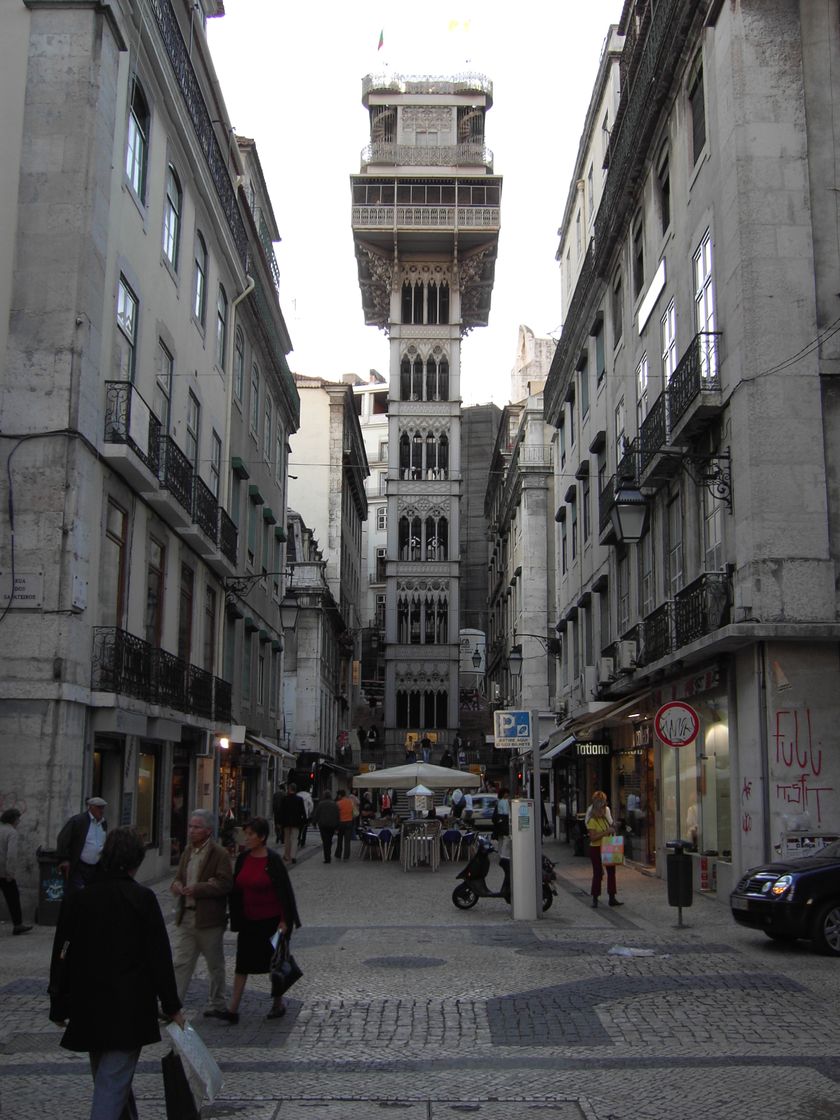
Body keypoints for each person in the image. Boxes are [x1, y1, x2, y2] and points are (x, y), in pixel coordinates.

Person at [48, 827, 185, 1119]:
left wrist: (58, 1003)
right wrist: (172, 1006)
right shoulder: (141, 899)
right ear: (136, 860)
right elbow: (159, 957)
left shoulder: (79, 899)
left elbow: (62, 954)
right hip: (128, 1008)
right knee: (112, 1084)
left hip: (88, 1006)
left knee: (108, 1079)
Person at [222, 817, 301, 1022]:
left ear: (262, 837)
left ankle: (278, 1003)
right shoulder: (243, 858)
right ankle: (233, 1009)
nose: (246, 838)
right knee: (242, 965)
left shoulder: (273, 860)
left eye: (250, 834)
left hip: (271, 922)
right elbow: (236, 887)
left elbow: (284, 892)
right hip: (249, 921)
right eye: (246, 833)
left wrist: (285, 921)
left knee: (274, 965)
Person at [170, 809, 233, 1019]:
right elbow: (178, 876)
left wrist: (198, 889)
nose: (191, 831)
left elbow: (225, 884)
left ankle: (218, 1003)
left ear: (208, 830)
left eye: (196, 827)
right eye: (190, 826)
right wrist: (177, 885)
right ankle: (173, 1005)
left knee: (215, 964)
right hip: (186, 916)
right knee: (181, 963)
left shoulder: (219, 854)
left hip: (208, 919)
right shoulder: (188, 851)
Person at [56, 796, 107, 893]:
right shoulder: (78, 821)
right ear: (91, 807)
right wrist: (64, 859)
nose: (102, 811)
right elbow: (63, 839)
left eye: (103, 808)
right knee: (78, 893)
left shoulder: (103, 823)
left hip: (95, 867)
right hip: (79, 866)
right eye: (99, 808)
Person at [586, 790, 622, 908]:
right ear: (596, 808)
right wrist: (606, 832)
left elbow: (610, 826)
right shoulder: (592, 820)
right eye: (601, 808)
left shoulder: (605, 818)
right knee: (597, 873)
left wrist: (613, 828)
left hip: (608, 846)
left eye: (604, 808)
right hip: (596, 848)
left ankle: (612, 896)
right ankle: (595, 897)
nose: (604, 810)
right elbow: (592, 837)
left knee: (611, 872)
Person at [0, 808, 32, 934]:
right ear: (13, 819)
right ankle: (18, 925)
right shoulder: (11, 832)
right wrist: (10, 873)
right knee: (13, 898)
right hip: (3, 872)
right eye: (18, 819)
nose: (19, 821)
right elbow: (11, 855)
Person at [276, 784, 307, 865]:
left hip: (286, 822)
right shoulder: (299, 799)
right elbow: (302, 812)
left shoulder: (284, 799)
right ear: (295, 790)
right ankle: (293, 856)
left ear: (289, 789)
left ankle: (287, 855)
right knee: (294, 839)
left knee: (287, 839)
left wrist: (279, 822)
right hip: (296, 823)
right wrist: (304, 822)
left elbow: (280, 811)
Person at [311, 792, 340, 862]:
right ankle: (328, 854)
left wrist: (314, 823)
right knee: (329, 840)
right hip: (332, 825)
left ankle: (327, 857)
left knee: (325, 841)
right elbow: (338, 815)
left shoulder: (321, 804)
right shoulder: (334, 804)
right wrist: (337, 826)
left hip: (323, 825)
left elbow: (316, 814)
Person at [335, 790, 355, 860]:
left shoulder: (338, 803)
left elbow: (336, 815)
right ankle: (346, 855)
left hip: (341, 823)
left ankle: (338, 854)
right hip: (349, 822)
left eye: (338, 795)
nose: (337, 796)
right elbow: (354, 812)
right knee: (347, 841)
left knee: (340, 840)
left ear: (340, 795)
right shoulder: (350, 802)